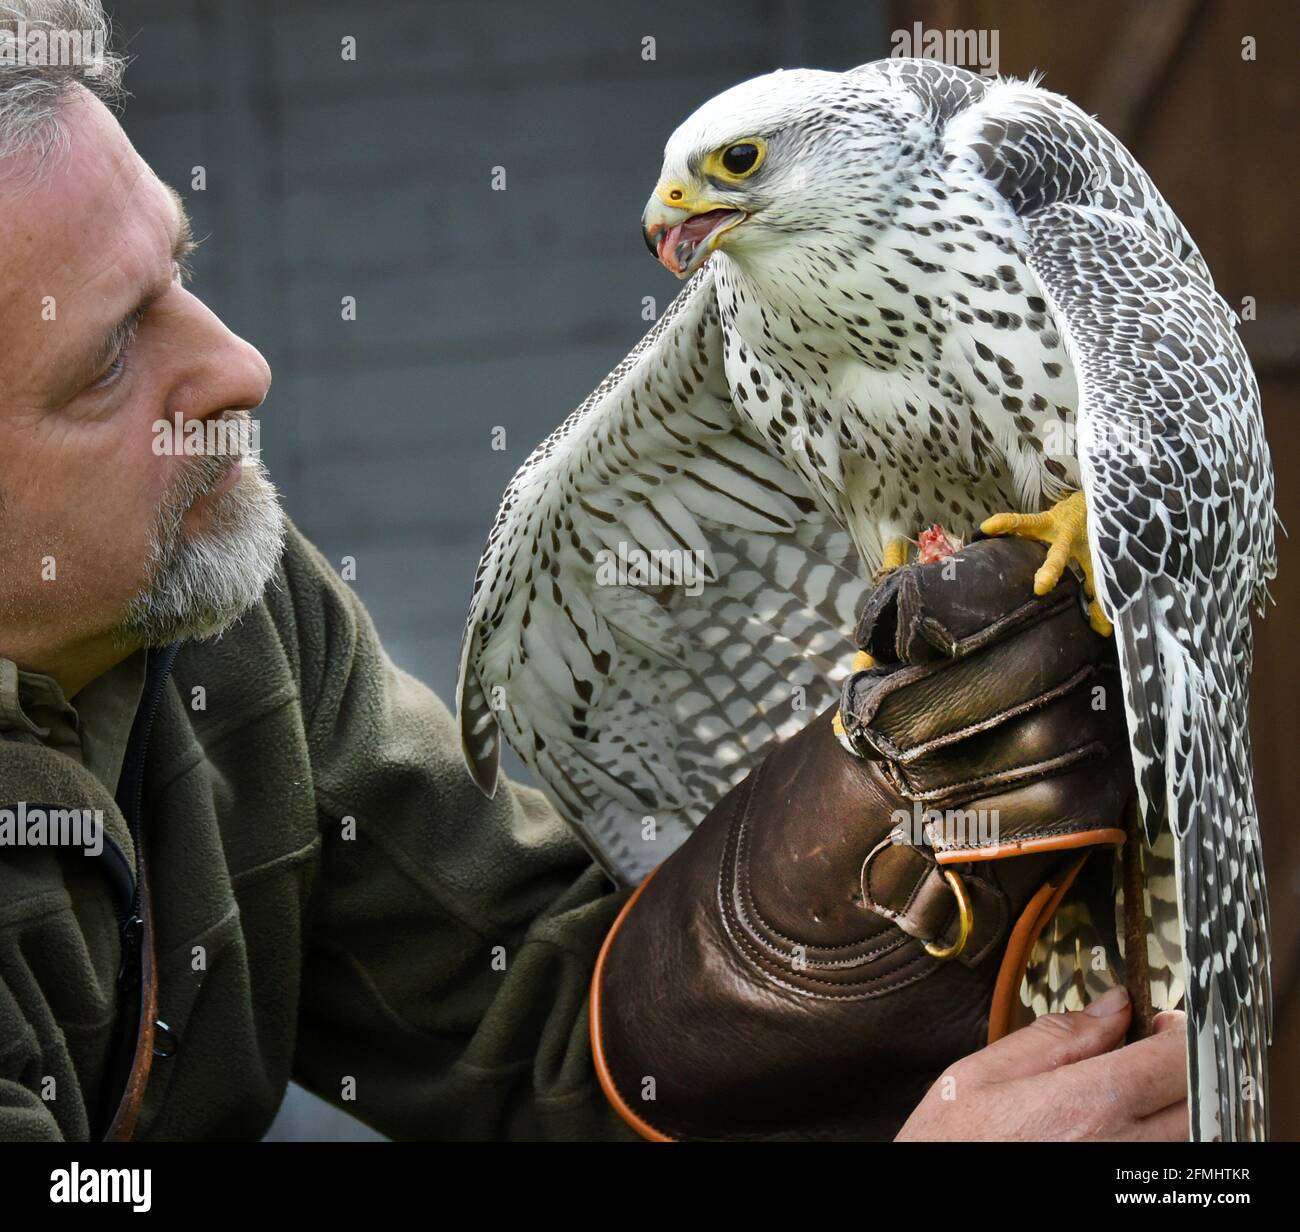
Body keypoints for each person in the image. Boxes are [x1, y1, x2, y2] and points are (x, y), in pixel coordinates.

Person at [0, 0, 1185, 1141]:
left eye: (182, 272)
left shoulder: (217, 607)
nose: (239, 366)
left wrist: (798, 913)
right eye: (109, 358)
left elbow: (534, 1022)